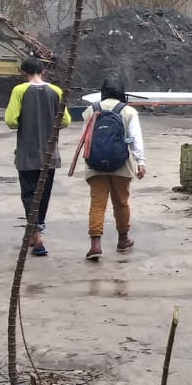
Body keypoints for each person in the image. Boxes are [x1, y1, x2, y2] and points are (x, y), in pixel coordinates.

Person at [4, 56, 70, 257]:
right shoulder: (56, 91)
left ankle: (35, 235)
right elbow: (65, 120)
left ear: (24, 73)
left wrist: (28, 121)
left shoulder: (19, 91)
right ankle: (37, 230)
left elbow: (11, 121)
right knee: (43, 195)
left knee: (29, 194)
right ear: (43, 72)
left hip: (27, 153)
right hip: (49, 154)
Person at [75, 79, 145, 260]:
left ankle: (95, 244)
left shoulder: (91, 110)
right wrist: (140, 161)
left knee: (97, 204)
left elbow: (86, 138)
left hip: (95, 164)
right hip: (122, 164)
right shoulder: (128, 111)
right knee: (121, 203)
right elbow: (135, 139)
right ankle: (123, 239)